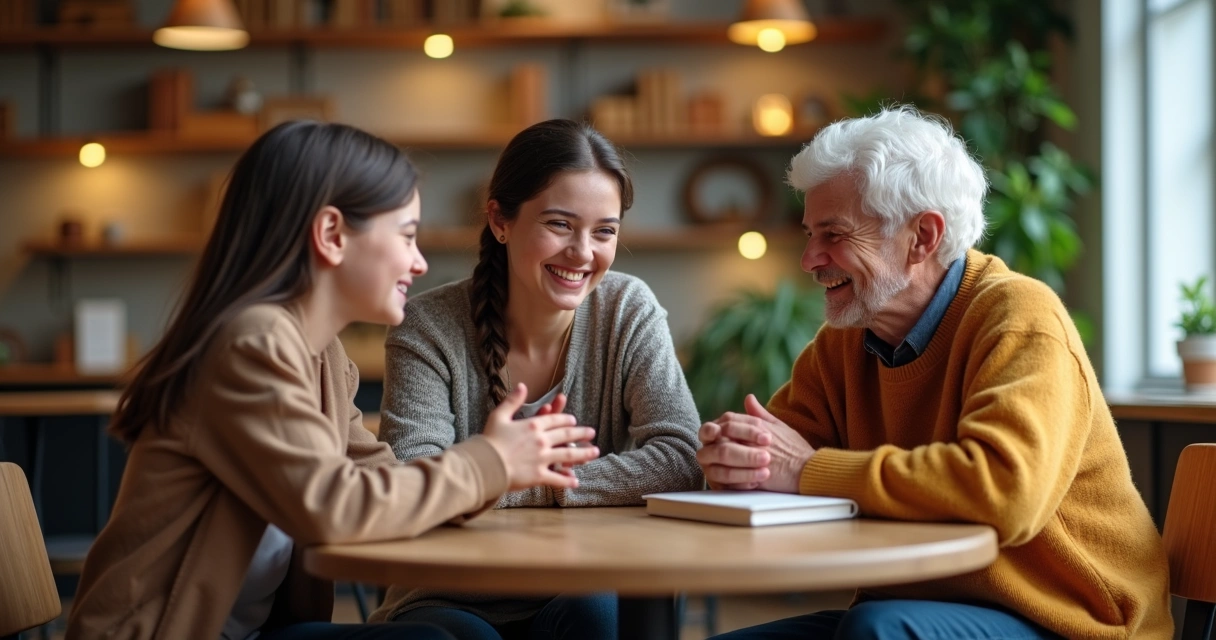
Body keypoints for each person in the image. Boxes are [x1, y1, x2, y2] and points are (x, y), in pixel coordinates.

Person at [65, 121, 601, 640]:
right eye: (407, 235)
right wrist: (489, 460)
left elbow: (378, 476)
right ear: (331, 235)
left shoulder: (321, 355)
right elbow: (335, 506)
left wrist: (503, 470)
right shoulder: (249, 343)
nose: (419, 262)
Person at [696, 106, 1173, 639]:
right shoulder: (844, 343)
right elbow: (776, 456)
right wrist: (736, 457)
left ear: (922, 236)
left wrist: (807, 472)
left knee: (876, 631)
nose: (809, 258)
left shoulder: (1019, 317)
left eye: (833, 234)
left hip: (1072, 620)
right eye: (810, 233)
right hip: (918, 608)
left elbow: (1004, 493)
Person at [368, 119, 703, 638]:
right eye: (560, 225)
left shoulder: (627, 309)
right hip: (449, 591)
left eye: (605, 231)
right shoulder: (429, 326)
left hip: (585, 578)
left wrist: (530, 479)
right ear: (500, 220)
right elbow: (414, 478)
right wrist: (523, 471)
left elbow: (681, 459)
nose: (583, 253)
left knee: (598, 617)